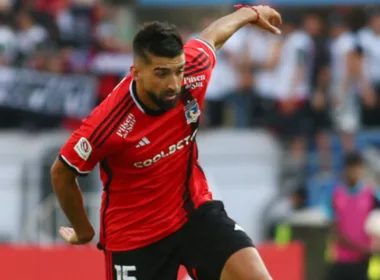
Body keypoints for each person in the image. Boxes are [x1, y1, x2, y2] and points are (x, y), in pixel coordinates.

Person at [50, 5, 281, 280]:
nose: (173, 83)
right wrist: (84, 230)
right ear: (136, 72)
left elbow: (213, 36)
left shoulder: (193, 72)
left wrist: (252, 13)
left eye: (178, 70)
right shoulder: (109, 122)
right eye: (161, 73)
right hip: (135, 237)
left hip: (192, 213)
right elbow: (61, 171)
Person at [324, 152, 380, 280]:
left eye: (358, 168)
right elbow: (334, 232)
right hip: (340, 261)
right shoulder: (335, 196)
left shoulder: (371, 195)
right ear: (345, 169)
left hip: (363, 263)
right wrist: (363, 248)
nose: (355, 172)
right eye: (352, 168)